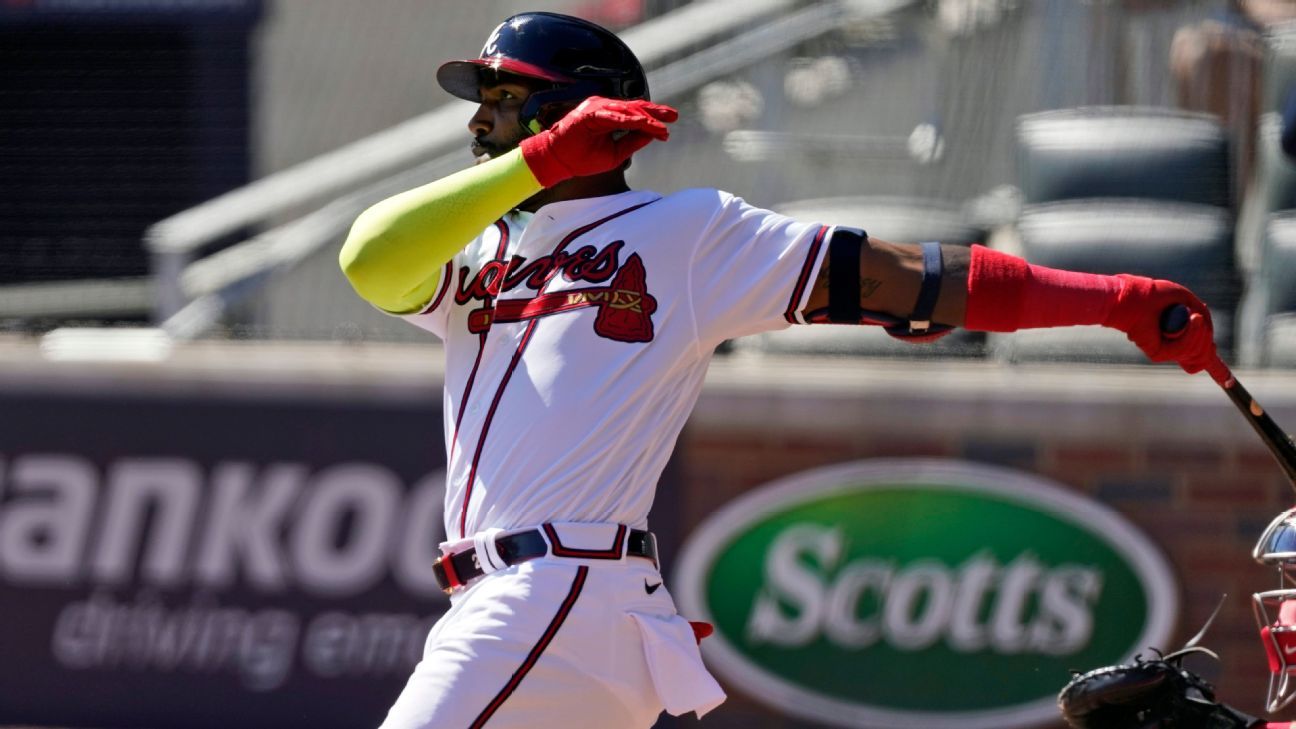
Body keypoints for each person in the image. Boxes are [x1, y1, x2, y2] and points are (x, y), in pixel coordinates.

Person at [339, 11, 1224, 729]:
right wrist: (539, 159)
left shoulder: (685, 232)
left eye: (503, 96)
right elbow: (367, 259)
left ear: (573, 110)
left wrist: (1114, 299)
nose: (477, 120)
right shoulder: (476, 250)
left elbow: (906, 277)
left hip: (557, 586)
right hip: (526, 601)